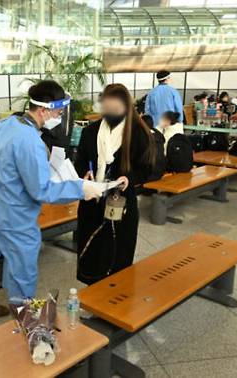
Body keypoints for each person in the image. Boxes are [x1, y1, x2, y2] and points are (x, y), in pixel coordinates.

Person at [0, 80, 102, 308]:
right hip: (17, 219)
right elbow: (41, 189)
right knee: (22, 272)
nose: (60, 116)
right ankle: (23, 319)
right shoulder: (30, 140)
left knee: (5, 255)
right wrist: (80, 188)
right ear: (44, 110)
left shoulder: (5, 125)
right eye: (58, 111)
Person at [74, 83, 155, 284]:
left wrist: (130, 178)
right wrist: (84, 173)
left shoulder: (138, 132)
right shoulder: (91, 131)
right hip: (92, 200)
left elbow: (149, 168)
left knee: (117, 253)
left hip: (121, 204)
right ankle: (93, 300)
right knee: (91, 252)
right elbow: (81, 162)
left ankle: (115, 304)